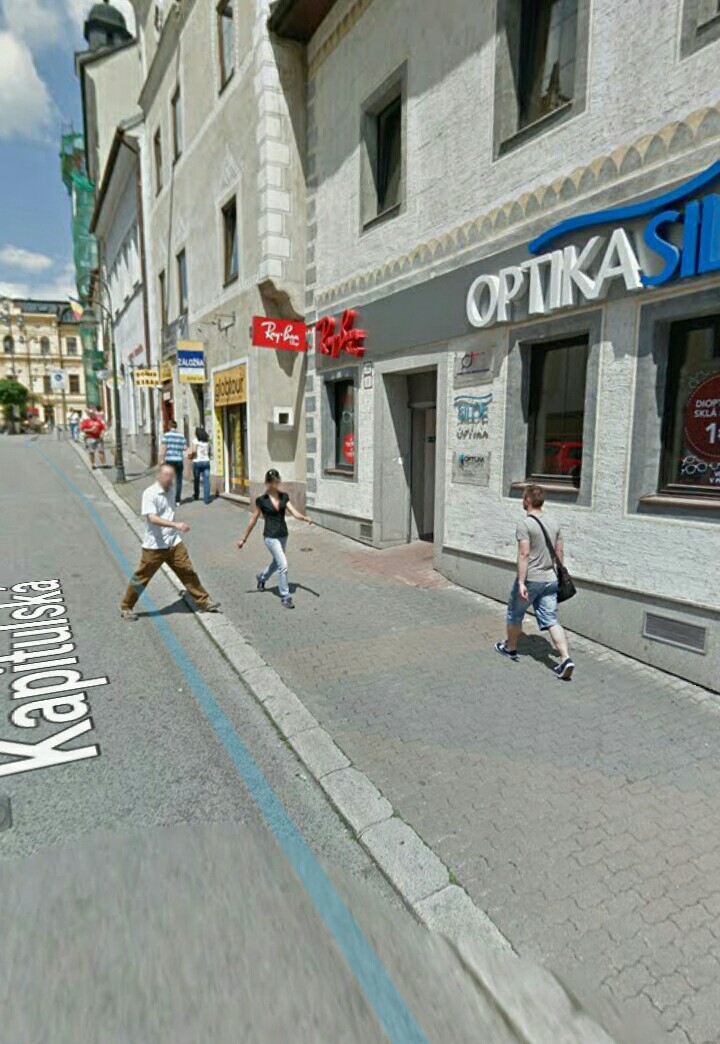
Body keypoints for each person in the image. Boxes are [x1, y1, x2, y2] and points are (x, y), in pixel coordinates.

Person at [120, 463, 221, 621]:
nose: (169, 479)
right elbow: (152, 518)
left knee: (187, 571)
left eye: (171, 476)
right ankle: (126, 606)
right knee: (142, 577)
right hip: (155, 546)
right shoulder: (150, 493)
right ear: (159, 476)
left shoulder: (172, 490)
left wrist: (174, 528)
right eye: (166, 475)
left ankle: (204, 601)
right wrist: (176, 525)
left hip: (173, 542)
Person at [495, 483, 575, 680]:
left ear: (528, 500)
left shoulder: (525, 524)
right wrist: (558, 575)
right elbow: (559, 552)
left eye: (523, 498)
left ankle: (511, 649)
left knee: (514, 614)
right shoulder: (554, 522)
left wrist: (521, 582)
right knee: (551, 619)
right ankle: (565, 658)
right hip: (550, 579)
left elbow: (524, 554)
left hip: (532, 579)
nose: (522, 501)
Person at [236, 469, 313, 609]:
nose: (274, 485)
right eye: (271, 482)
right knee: (283, 564)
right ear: (267, 483)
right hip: (270, 537)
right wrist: (244, 539)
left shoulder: (284, 497)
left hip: (283, 534)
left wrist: (304, 518)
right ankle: (285, 596)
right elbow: (253, 520)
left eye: (276, 482)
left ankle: (261, 577)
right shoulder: (262, 500)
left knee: (276, 563)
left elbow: (294, 512)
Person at [160, 420, 187, 503]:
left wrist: (162, 459)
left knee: (168, 479)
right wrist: (178, 448)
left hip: (169, 460)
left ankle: (169, 498)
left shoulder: (166, 436)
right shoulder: (181, 436)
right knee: (179, 480)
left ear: (169, 426)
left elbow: (164, 448)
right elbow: (185, 448)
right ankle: (177, 500)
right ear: (176, 427)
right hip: (179, 460)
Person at [190, 427, 212, 505]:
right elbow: (209, 452)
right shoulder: (207, 441)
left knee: (196, 479)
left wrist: (190, 457)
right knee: (206, 480)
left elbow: (194, 451)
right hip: (206, 462)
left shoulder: (195, 440)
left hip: (197, 462)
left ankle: (196, 496)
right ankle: (206, 499)